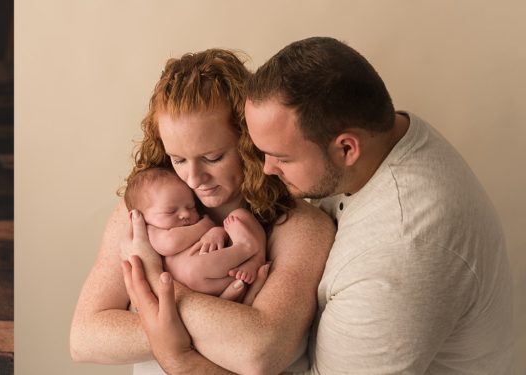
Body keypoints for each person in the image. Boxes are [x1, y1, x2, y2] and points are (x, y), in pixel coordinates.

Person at [129, 37, 514, 373]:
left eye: (281, 157)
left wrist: (178, 355)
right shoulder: (384, 133)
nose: (265, 168)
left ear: (347, 148)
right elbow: (84, 336)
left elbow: (260, 353)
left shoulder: (401, 250)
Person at [69, 48, 336, 374]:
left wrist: (154, 280)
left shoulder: (299, 225)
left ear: (248, 141)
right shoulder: (145, 212)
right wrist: (208, 328)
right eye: (178, 160)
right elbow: (84, 338)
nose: (194, 179)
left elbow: (260, 352)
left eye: (212, 158)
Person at [122, 166, 266, 294]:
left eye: (191, 207)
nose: (185, 214)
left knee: (238, 216)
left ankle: (256, 259)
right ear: (141, 216)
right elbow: (171, 243)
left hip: (232, 265)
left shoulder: (194, 222)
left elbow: (223, 231)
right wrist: (206, 226)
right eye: (170, 211)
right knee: (193, 270)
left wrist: (217, 232)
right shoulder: (150, 231)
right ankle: (246, 249)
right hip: (203, 281)